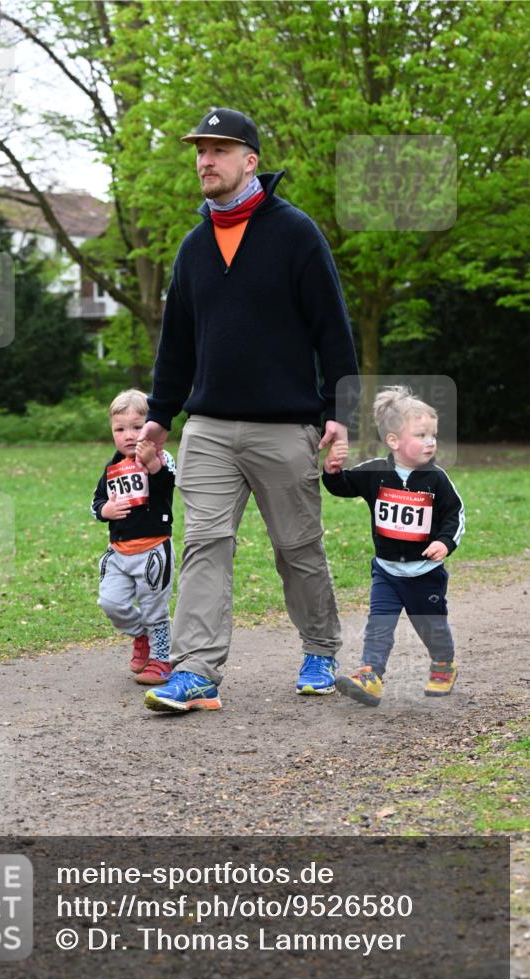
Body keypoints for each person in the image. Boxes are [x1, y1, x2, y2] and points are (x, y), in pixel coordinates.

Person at [138, 107, 360, 713]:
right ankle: (196, 671)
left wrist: (340, 409)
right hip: (207, 429)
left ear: (249, 161)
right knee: (204, 544)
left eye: (218, 150)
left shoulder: (295, 234)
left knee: (297, 547)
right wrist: (161, 414)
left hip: (285, 426)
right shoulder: (193, 247)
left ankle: (320, 648)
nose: (205, 161)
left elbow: (332, 330)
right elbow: (176, 344)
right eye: (200, 151)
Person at [322, 385, 465, 707]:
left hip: (424, 573)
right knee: (379, 625)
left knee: (432, 626)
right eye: (421, 435)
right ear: (394, 441)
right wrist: (331, 472)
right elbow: (343, 486)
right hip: (386, 571)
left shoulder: (437, 479)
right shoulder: (375, 471)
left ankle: (443, 664)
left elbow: (455, 515)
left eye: (433, 435)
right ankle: (370, 676)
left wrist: (444, 543)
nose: (430, 441)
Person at [91, 389, 176, 685]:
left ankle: (161, 659)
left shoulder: (162, 458)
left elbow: (169, 486)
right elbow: (96, 502)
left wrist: (153, 464)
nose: (129, 435)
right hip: (118, 552)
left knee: (155, 610)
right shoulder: (112, 466)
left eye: (137, 427)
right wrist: (106, 510)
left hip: (153, 550)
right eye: (120, 429)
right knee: (110, 602)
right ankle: (141, 635)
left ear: (151, 426)